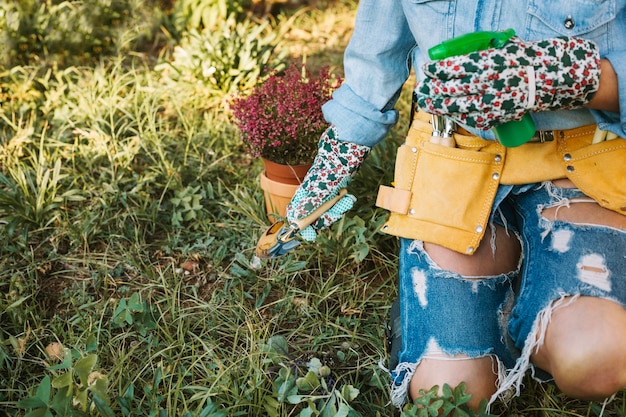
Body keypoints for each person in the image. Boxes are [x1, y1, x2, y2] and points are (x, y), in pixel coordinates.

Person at [285, 0, 626, 412]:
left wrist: (565, 79)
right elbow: (378, 57)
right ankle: (526, 292)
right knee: (450, 396)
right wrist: (337, 157)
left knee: (595, 358)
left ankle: (534, 300)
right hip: (455, 160)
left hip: (584, 164)